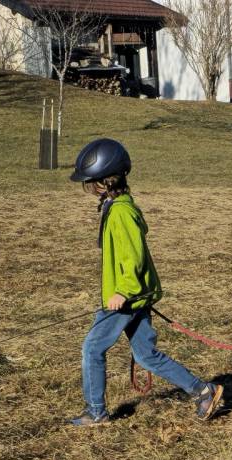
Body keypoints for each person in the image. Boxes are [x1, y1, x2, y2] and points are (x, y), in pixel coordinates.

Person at [68, 138, 223, 426]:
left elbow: (134, 255)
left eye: (91, 182)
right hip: (135, 295)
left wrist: (122, 291)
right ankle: (204, 391)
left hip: (126, 297)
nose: (88, 188)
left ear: (105, 181)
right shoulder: (116, 207)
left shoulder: (121, 213)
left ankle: (95, 412)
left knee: (92, 348)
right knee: (146, 355)